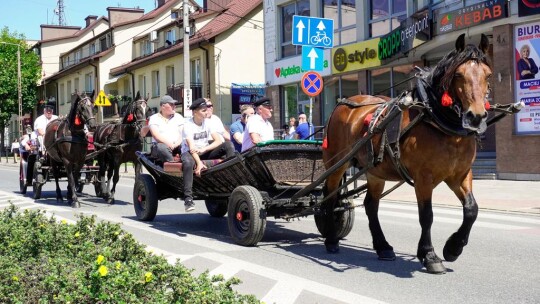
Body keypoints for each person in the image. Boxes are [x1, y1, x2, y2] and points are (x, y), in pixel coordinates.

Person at [181, 98, 235, 212]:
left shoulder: (208, 122)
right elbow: (191, 148)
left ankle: (231, 177)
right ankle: (188, 199)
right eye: (203, 110)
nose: (207, 112)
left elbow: (218, 141)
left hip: (203, 151)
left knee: (228, 145)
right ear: (195, 112)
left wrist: (205, 149)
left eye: (207, 110)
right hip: (190, 153)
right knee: (188, 163)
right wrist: (199, 163)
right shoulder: (187, 125)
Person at [148, 95, 184, 163]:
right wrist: (168, 143)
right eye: (171, 104)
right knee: (161, 147)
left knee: (187, 146)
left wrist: (176, 144)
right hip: (160, 147)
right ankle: (173, 165)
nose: (174, 106)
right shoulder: (154, 118)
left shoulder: (179, 117)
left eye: (174, 104)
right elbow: (156, 135)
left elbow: (183, 134)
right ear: (163, 106)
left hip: (177, 145)